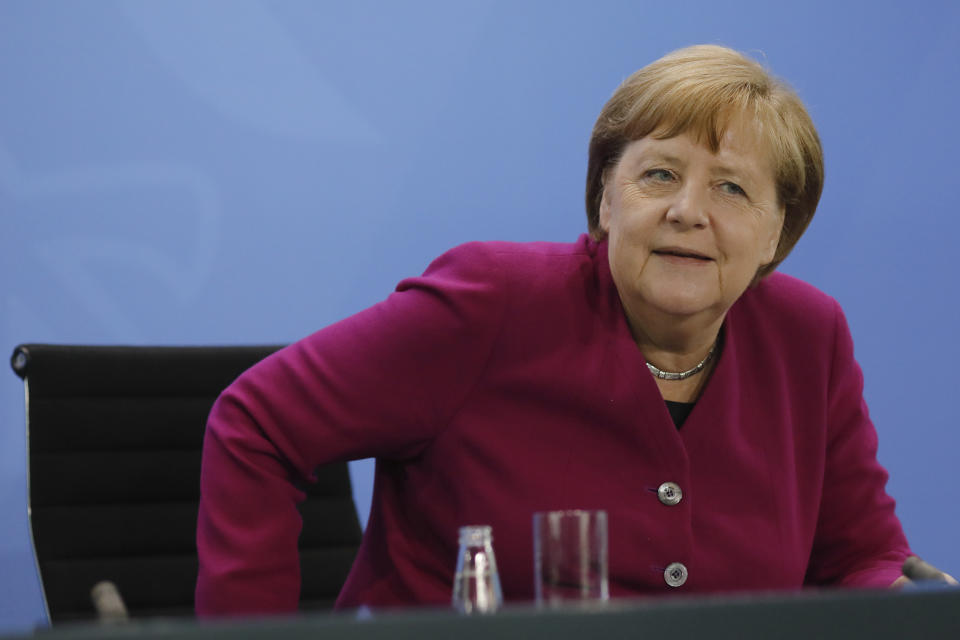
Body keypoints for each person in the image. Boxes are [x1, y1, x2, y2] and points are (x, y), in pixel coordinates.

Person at [195, 44, 914, 616]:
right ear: (606, 200)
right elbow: (257, 422)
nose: (689, 211)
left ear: (776, 233)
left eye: (732, 188)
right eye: (660, 175)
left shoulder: (806, 338)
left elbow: (863, 559)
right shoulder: (490, 305)